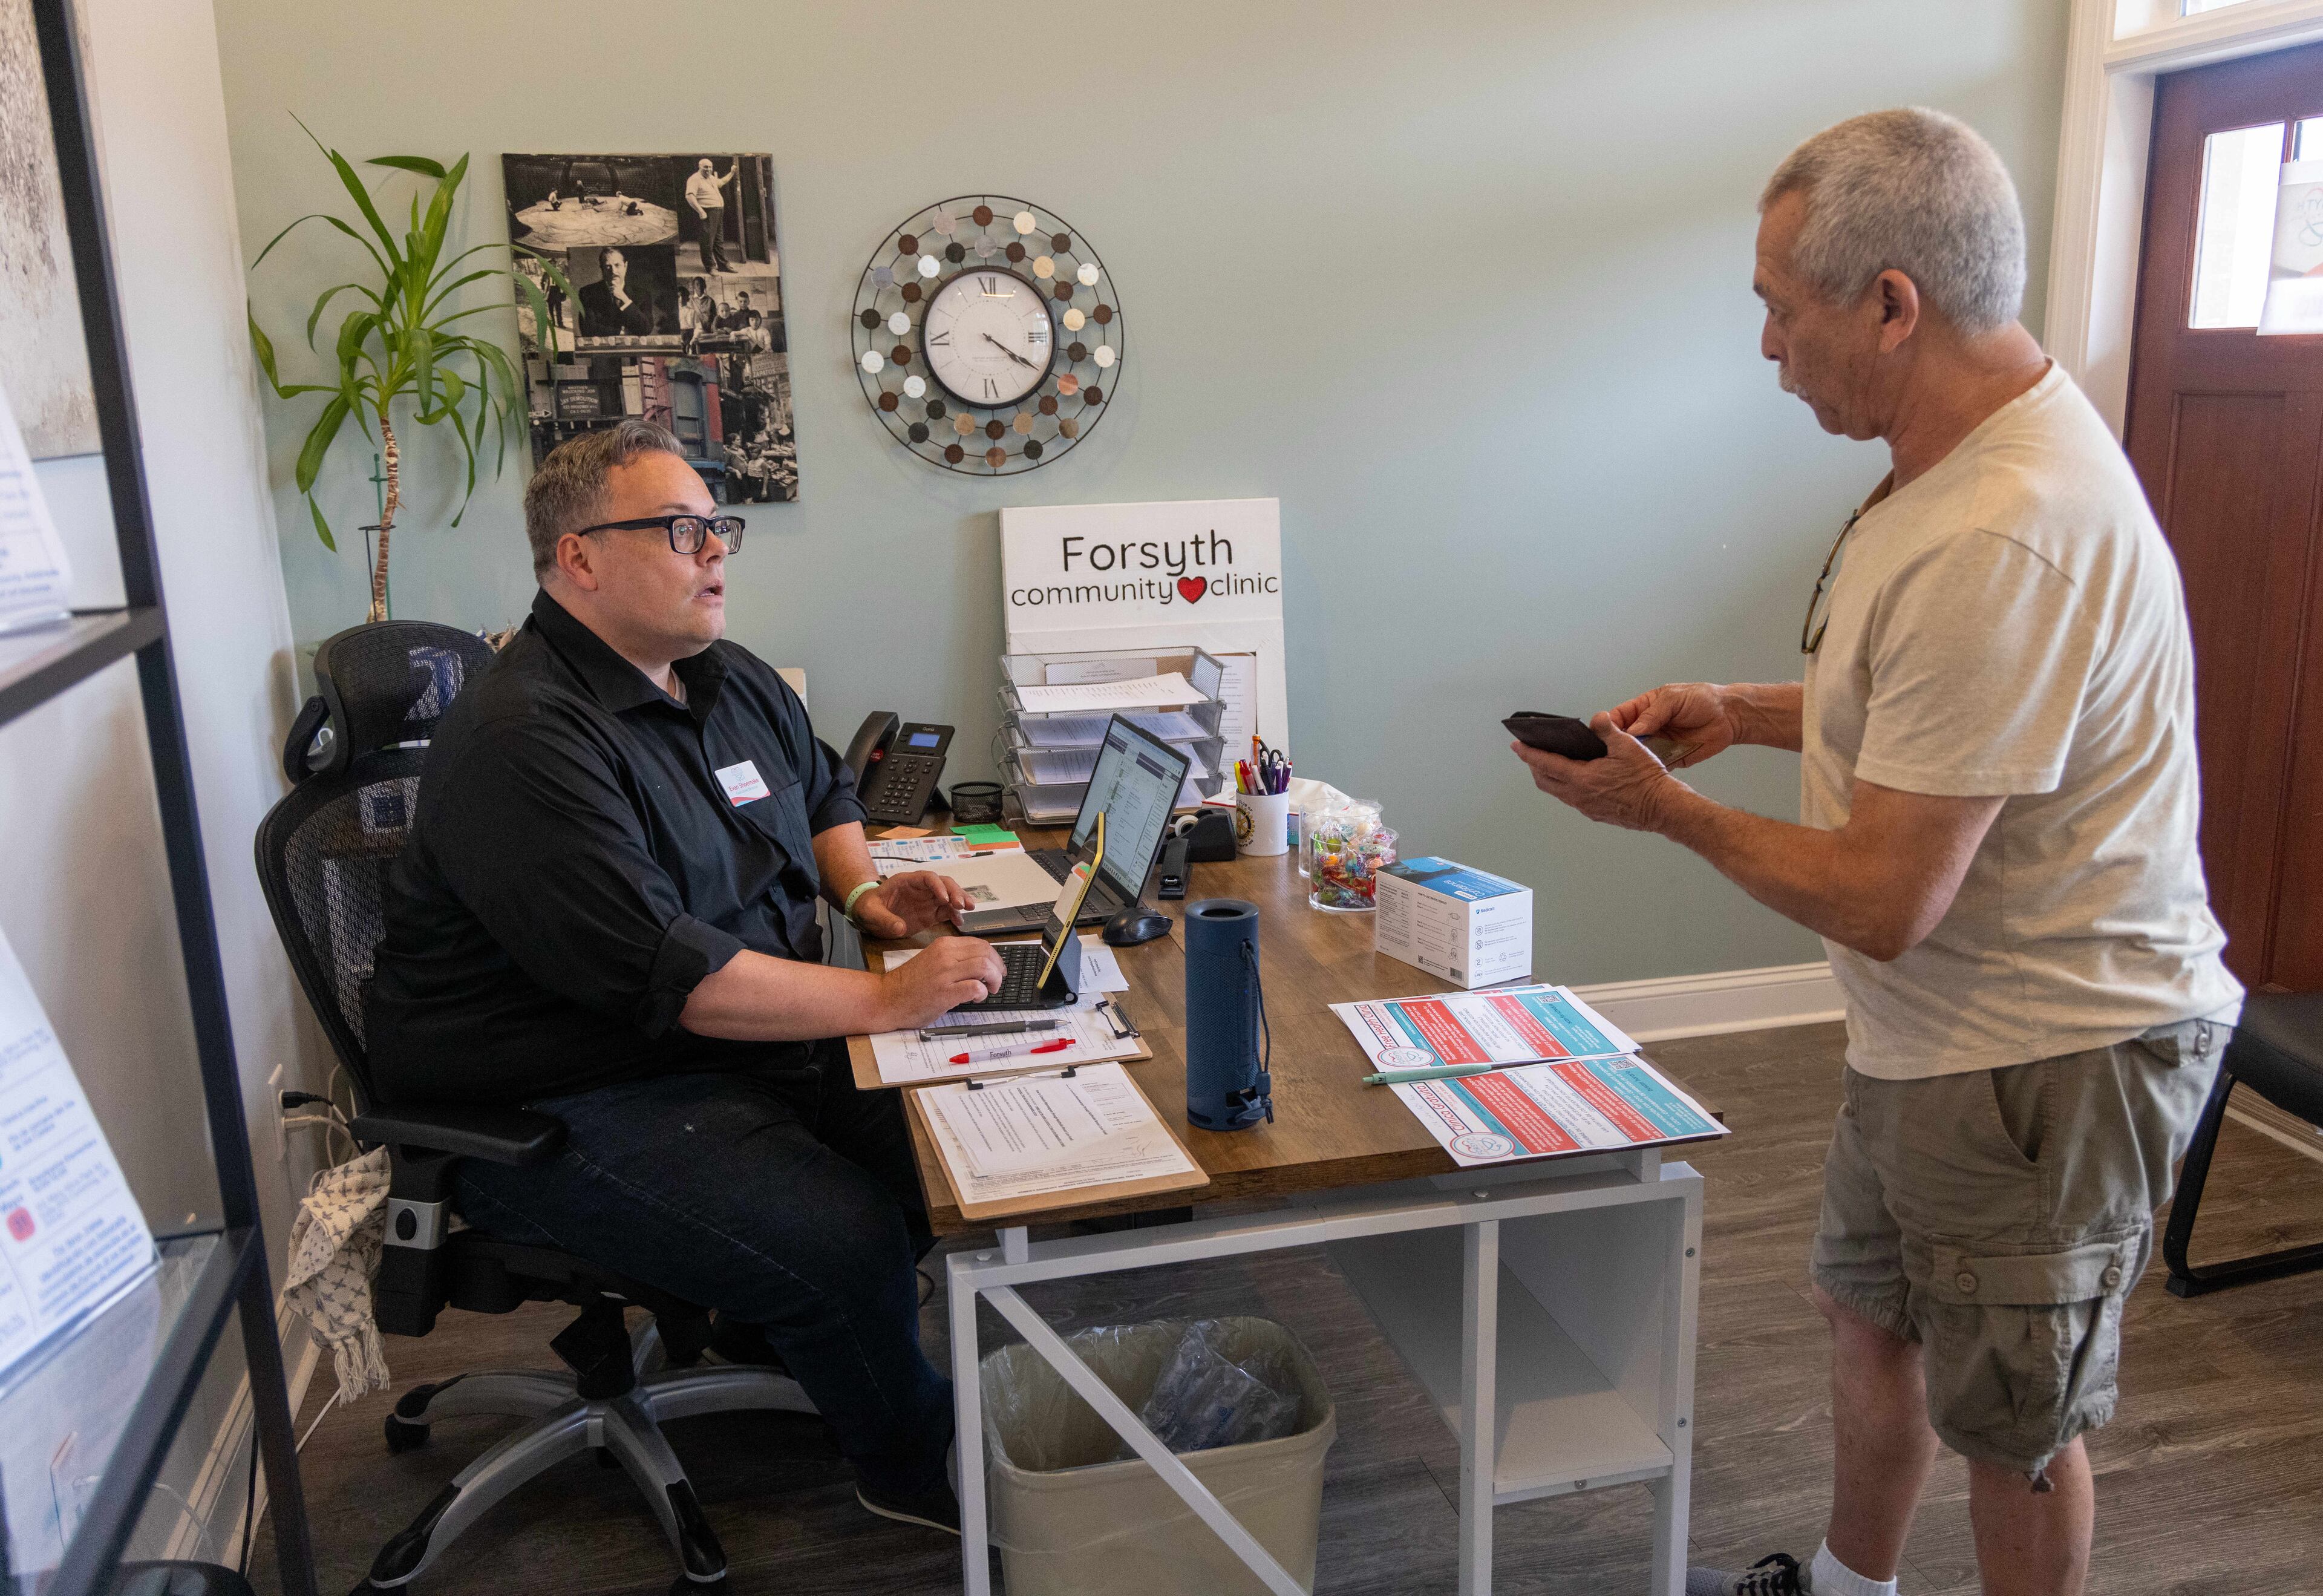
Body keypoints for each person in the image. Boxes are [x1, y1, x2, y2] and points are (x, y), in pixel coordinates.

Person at [1509, 110, 2243, 1596]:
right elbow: (1922, 703)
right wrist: (1737, 709)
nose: (1770, 346)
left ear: (1890, 302)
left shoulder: (2004, 525)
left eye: (1782, 307)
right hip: (1939, 1037)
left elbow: (1884, 894)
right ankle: (1852, 1582)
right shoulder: (1950, 458)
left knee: (2012, 1423)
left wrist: (1664, 805)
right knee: (1869, 1318)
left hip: (2047, 1050)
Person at [364, 420, 1005, 1534]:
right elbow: (675, 974)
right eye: (681, 530)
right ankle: (916, 1469)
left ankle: (783, 1328)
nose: (715, 551)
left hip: (725, 1046)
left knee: (941, 1147)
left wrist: (865, 900)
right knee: (843, 1237)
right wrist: (889, 997)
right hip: (566, 1092)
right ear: (579, 558)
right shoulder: (525, 737)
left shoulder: (718, 670)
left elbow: (821, 795)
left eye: (719, 528)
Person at [576, 246, 651, 338]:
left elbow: (646, 329)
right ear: (602, 269)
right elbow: (587, 329)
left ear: (625, 266)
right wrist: (620, 332)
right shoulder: (588, 293)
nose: (613, 271)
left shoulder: (642, 294)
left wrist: (625, 299)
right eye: (608, 267)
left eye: (617, 265)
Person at [686, 156, 738, 275]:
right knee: (707, 241)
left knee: (718, 240)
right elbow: (689, 196)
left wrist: (732, 172)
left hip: (718, 212)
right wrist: (701, 212)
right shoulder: (694, 179)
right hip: (707, 212)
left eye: (710, 167)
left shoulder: (711, 178)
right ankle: (710, 267)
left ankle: (723, 265)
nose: (708, 169)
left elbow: (722, 182)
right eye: (706, 167)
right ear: (700, 167)